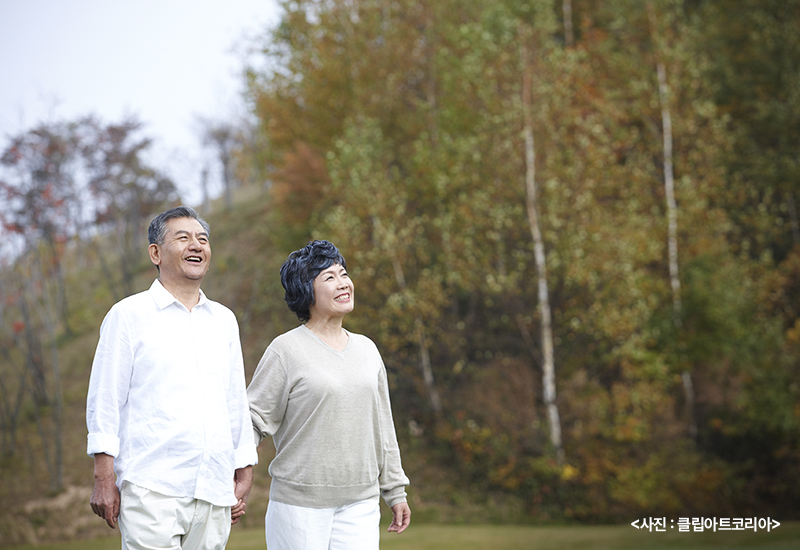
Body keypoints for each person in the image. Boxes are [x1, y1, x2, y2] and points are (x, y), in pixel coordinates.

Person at [86, 205, 258, 550]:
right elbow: (106, 399)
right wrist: (103, 476)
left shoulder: (223, 320)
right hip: (152, 487)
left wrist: (244, 466)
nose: (197, 246)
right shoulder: (128, 315)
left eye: (203, 239)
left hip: (212, 486)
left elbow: (234, 399)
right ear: (156, 253)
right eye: (184, 238)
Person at [248, 239, 411, 550]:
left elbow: (383, 427)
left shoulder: (367, 349)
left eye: (344, 273)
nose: (343, 283)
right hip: (299, 508)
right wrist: (235, 475)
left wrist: (394, 490)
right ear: (306, 291)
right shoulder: (285, 350)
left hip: (360, 504)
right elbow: (253, 420)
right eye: (330, 277)